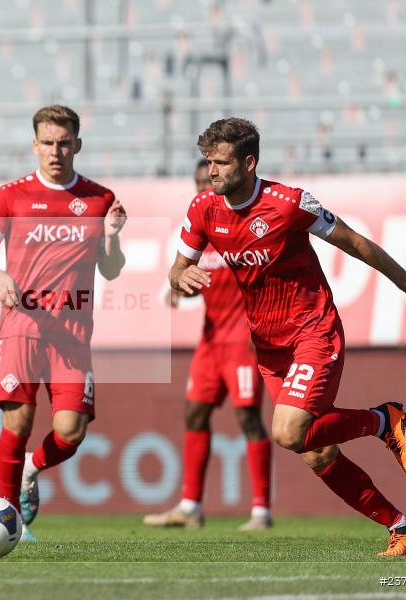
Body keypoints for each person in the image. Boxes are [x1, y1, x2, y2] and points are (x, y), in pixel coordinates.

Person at [171, 117, 406, 556]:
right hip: (268, 346)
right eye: (209, 161)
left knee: (287, 430)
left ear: (248, 162)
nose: (212, 171)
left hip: (313, 331)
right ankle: (401, 526)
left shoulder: (289, 203)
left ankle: (383, 420)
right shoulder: (203, 209)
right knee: (316, 452)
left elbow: (355, 242)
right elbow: (176, 268)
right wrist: (180, 276)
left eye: (221, 162)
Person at [0, 105, 127, 541]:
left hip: (73, 332)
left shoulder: (99, 199)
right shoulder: (10, 196)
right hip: (22, 323)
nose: (55, 151)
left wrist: (111, 237)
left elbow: (111, 270)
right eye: (47, 143)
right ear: (34, 145)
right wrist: (0, 277)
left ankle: (31, 472)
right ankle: (9, 521)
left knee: (71, 431)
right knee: (17, 423)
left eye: (63, 143)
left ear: (77, 144)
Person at [144, 159, 272, 531]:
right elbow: (186, 276)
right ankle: (190, 507)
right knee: (194, 413)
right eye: (199, 180)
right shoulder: (199, 229)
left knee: (248, 417)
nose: (206, 185)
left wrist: (259, 328)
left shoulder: (240, 226)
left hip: (244, 338)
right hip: (210, 339)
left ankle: (261, 511)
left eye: (210, 178)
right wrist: (176, 289)